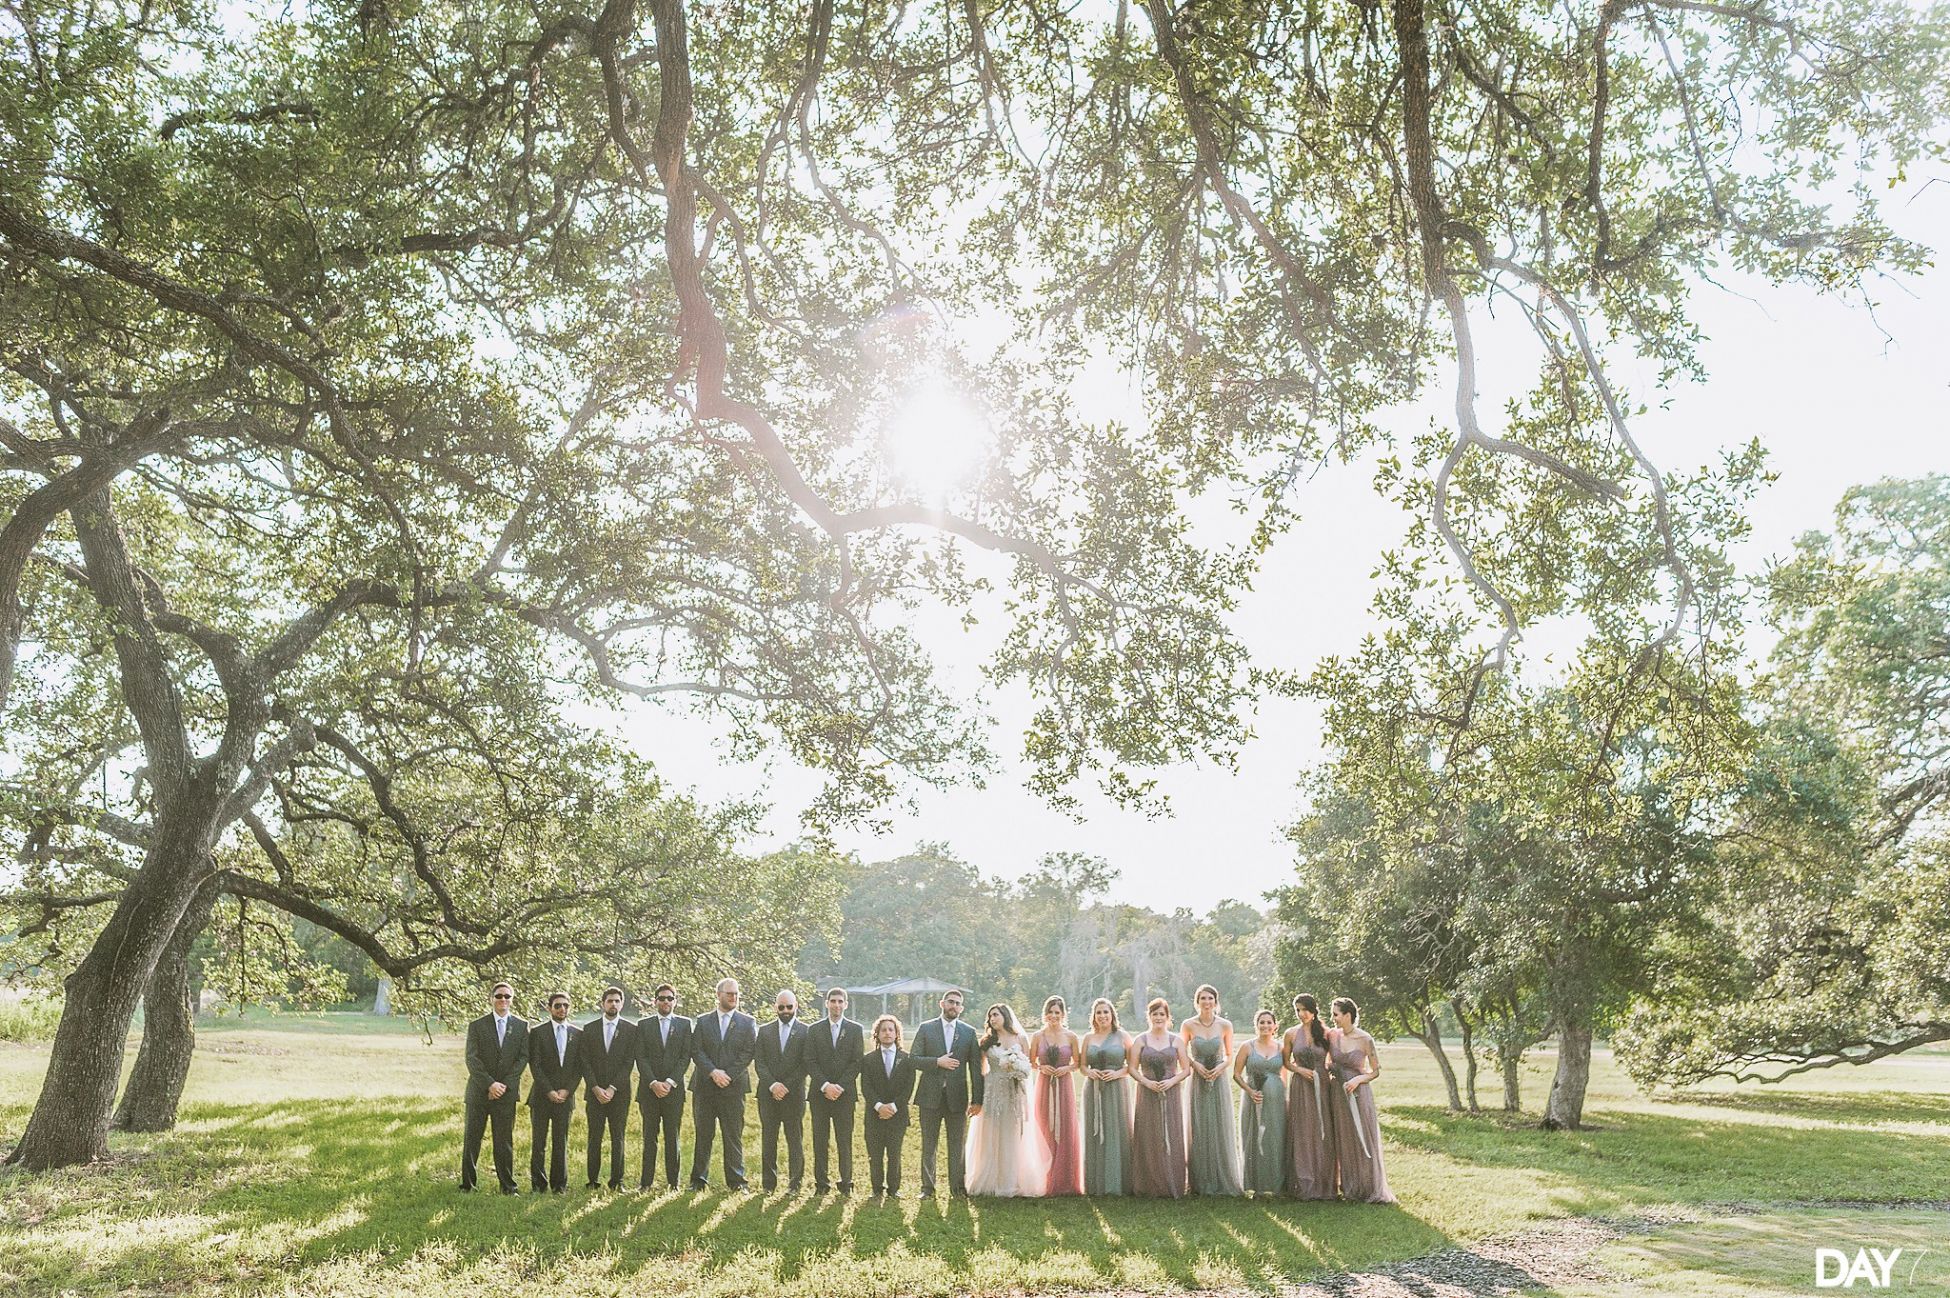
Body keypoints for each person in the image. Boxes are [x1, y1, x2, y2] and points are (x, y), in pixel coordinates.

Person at [965, 1003, 1048, 1196]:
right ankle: (990, 1180)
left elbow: (1027, 1067)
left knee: (1011, 1135)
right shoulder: (986, 1041)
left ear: (1005, 1016)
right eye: (990, 1016)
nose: (992, 1019)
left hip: (1014, 1092)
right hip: (993, 1090)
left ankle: (1011, 1181)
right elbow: (980, 1070)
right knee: (991, 1134)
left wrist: (1017, 1071)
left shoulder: (1020, 1038)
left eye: (996, 1015)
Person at [909, 988, 983, 1198]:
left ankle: (958, 1188)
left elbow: (975, 1068)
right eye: (950, 1002)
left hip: (957, 1098)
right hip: (929, 1097)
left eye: (958, 1003)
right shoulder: (926, 1028)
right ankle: (927, 1188)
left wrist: (977, 1100)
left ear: (962, 1008)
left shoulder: (968, 1032)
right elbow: (913, 1059)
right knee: (928, 1144)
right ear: (942, 1004)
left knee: (957, 1145)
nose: (954, 1006)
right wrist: (936, 1062)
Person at [460, 981, 529, 1193]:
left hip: (506, 1094)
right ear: (491, 999)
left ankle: (508, 1186)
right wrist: (490, 1084)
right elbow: (472, 1059)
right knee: (472, 1140)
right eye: (499, 996)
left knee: (504, 1142)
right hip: (479, 1092)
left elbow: (522, 1058)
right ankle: (468, 1185)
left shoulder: (521, 1026)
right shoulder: (477, 1025)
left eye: (507, 997)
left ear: (512, 1000)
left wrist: (503, 1086)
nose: (503, 1000)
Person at [690, 976, 757, 1191]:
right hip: (705, 1087)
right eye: (729, 993)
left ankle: (737, 1182)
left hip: (733, 1087)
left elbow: (748, 1053)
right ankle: (698, 1180)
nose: (734, 997)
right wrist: (713, 1072)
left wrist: (727, 1075)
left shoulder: (747, 1022)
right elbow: (696, 1050)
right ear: (718, 995)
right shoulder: (703, 1021)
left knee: (733, 1135)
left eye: (737, 994)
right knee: (703, 1135)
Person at [1327, 996, 1395, 1203]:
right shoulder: (1332, 1036)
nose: (1333, 1018)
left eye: (1336, 1014)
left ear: (1348, 1015)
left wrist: (1357, 1079)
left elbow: (1375, 1072)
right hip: (1338, 1091)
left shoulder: (1365, 1039)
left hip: (1358, 1092)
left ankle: (1368, 1186)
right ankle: (1350, 1187)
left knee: (1362, 1135)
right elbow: (1329, 1061)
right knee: (1344, 1137)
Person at [1182, 983, 1243, 1196]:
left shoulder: (1225, 1025)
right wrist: (1195, 1065)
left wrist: (1219, 1068)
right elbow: (1181, 1053)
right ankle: (1199, 1181)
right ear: (1197, 1002)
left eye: (1210, 999)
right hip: (1197, 1079)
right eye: (1203, 999)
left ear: (1216, 1002)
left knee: (1219, 1124)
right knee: (1199, 1126)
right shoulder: (1188, 1025)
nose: (1206, 1003)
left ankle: (1221, 1178)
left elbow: (1229, 1054)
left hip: (1218, 1079)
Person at [805, 986, 864, 1194]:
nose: (837, 1005)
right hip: (819, 1094)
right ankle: (821, 1184)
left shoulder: (855, 1030)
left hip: (844, 1094)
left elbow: (857, 1062)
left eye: (840, 1001)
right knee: (820, 1140)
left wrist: (839, 1086)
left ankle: (846, 1182)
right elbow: (809, 1061)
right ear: (826, 1003)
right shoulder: (814, 1030)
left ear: (846, 1004)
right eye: (833, 1001)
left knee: (844, 1140)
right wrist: (825, 1085)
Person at [1128, 997, 1188, 1198]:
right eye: (1155, 1014)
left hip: (1171, 1091)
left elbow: (1186, 1069)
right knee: (1149, 1133)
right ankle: (1149, 1184)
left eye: (1162, 1014)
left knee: (1170, 1133)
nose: (1158, 1018)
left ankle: (1171, 1181)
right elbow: (1132, 1068)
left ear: (1168, 1017)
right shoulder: (1140, 1040)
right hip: (1147, 1091)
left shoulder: (1176, 1040)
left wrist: (1171, 1081)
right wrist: (1147, 1082)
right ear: (1149, 1016)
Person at [634, 983, 691, 1190]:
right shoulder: (644, 1025)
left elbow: (685, 1057)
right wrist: (653, 1083)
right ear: (654, 1001)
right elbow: (640, 1057)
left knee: (672, 1137)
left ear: (675, 1001)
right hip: (649, 1091)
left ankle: (673, 1183)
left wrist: (668, 1082)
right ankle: (646, 1183)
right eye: (662, 998)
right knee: (649, 1137)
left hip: (673, 1091)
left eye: (670, 998)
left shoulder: (685, 1025)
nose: (666, 1001)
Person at [580, 984, 635, 1190]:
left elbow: (628, 1062)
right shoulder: (589, 1029)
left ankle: (617, 1181)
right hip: (594, 1093)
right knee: (594, 1136)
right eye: (610, 1000)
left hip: (619, 1093)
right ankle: (592, 1180)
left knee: (617, 1137)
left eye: (617, 1001)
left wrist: (612, 1088)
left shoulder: (631, 1030)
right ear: (602, 1004)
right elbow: (584, 1062)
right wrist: (595, 1088)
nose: (613, 1004)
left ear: (622, 1004)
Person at [1028, 995, 1083, 1196]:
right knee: (1044, 1126)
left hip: (1064, 1084)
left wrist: (1066, 1068)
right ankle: (1044, 1178)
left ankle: (1065, 1180)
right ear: (1045, 1014)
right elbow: (1031, 1061)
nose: (1053, 1016)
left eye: (1057, 1012)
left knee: (1066, 1127)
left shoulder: (1071, 1037)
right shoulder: (1037, 1036)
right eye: (1050, 1012)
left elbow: (1077, 1063)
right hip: (1044, 1084)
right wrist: (1042, 1068)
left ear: (1063, 1014)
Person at [755, 988, 809, 1192]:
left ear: (796, 1006)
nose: (785, 1010)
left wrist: (786, 1086)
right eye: (781, 1006)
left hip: (793, 1094)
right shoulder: (764, 1030)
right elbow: (759, 1062)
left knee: (794, 1139)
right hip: (767, 1094)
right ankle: (769, 1184)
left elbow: (805, 1064)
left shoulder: (805, 1031)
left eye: (789, 1006)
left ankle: (795, 1184)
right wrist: (773, 1085)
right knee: (769, 1139)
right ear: (775, 1008)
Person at [1283, 993, 1336, 1200]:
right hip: (1300, 1084)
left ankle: (1324, 1182)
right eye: (1297, 1010)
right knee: (1303, 1129)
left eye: (1304, 1009)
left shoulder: (1326, 1033)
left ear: (1314, 1010)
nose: (1301, 1014)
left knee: (1322, 1129)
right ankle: (1303, 1181)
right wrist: (1299, 1070)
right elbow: (1286, 1062)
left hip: (1321, 1084)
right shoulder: (1291, 1033)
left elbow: (1333, 1059)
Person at [526, 991, 580, 1193]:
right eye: (558, 1005)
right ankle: (538, 1185)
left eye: (566, 1005)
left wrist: (567, 1090)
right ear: (549, 1008)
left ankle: (559, 1186)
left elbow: (579, 1067)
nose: (562, 1009)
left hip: (565, 1098)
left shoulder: (577, 1033)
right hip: (541, 1096)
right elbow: (535, 1065)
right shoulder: (538, 1032)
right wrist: (549, 1090)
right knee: (538, 1143)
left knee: (561, 1143)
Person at [859, 1013, 917, 1199]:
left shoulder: (906, 1059)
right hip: (874, 1114)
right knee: (875, 1155)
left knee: (894, 1154)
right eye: (883, 1030)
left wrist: (892, 1106)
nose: (887, 1033)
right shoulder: (868, 1060)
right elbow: (865, 1086)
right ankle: (876, 1189)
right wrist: (878, 1106)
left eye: (890, 1029)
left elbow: (908, 1087)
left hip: (897, 1114)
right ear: (877, 1034)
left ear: (896, 1033)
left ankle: (894, 1189)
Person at [1080, 997, 1133, 1196]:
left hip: (1116, 1087)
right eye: (1098, 1012)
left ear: (1112, 1015)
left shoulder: (1123, 1036)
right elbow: (1082, 1065)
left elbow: (1132, 1066)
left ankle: (1118, 1182)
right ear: (1093, 1016)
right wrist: (1089, 1072)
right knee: (1094, 1132)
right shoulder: (1088, 1038)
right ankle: (1095, 1183)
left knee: (1117, 1129)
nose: (1102, 1016)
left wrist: (1117, 1073)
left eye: (1106, 1012)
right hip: (1093, 1088)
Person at [1233, 1009, 1287, 1198]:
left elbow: (1284, 1074)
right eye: (1261, 1022)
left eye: (1268, 1022)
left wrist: (1285, 1097)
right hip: (1253, 1097)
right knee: (1254, 1137)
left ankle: (1275, 1185)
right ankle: (1255, 1185)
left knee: (1275, 1137)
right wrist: (1250, 1091)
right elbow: (1237, 1074)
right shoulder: (1247, 1047)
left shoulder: (1281, 1048)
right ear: (1256, 1025)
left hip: (1276, 1100)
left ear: (1275, 1026)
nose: (1265, 1026)